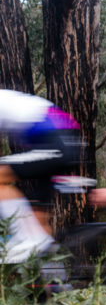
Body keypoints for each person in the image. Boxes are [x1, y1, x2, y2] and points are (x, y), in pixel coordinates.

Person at [0, 90, 81, 267]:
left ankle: (26, 240)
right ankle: (53, 285)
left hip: (56, 145)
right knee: (38, 220)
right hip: (62, 142)